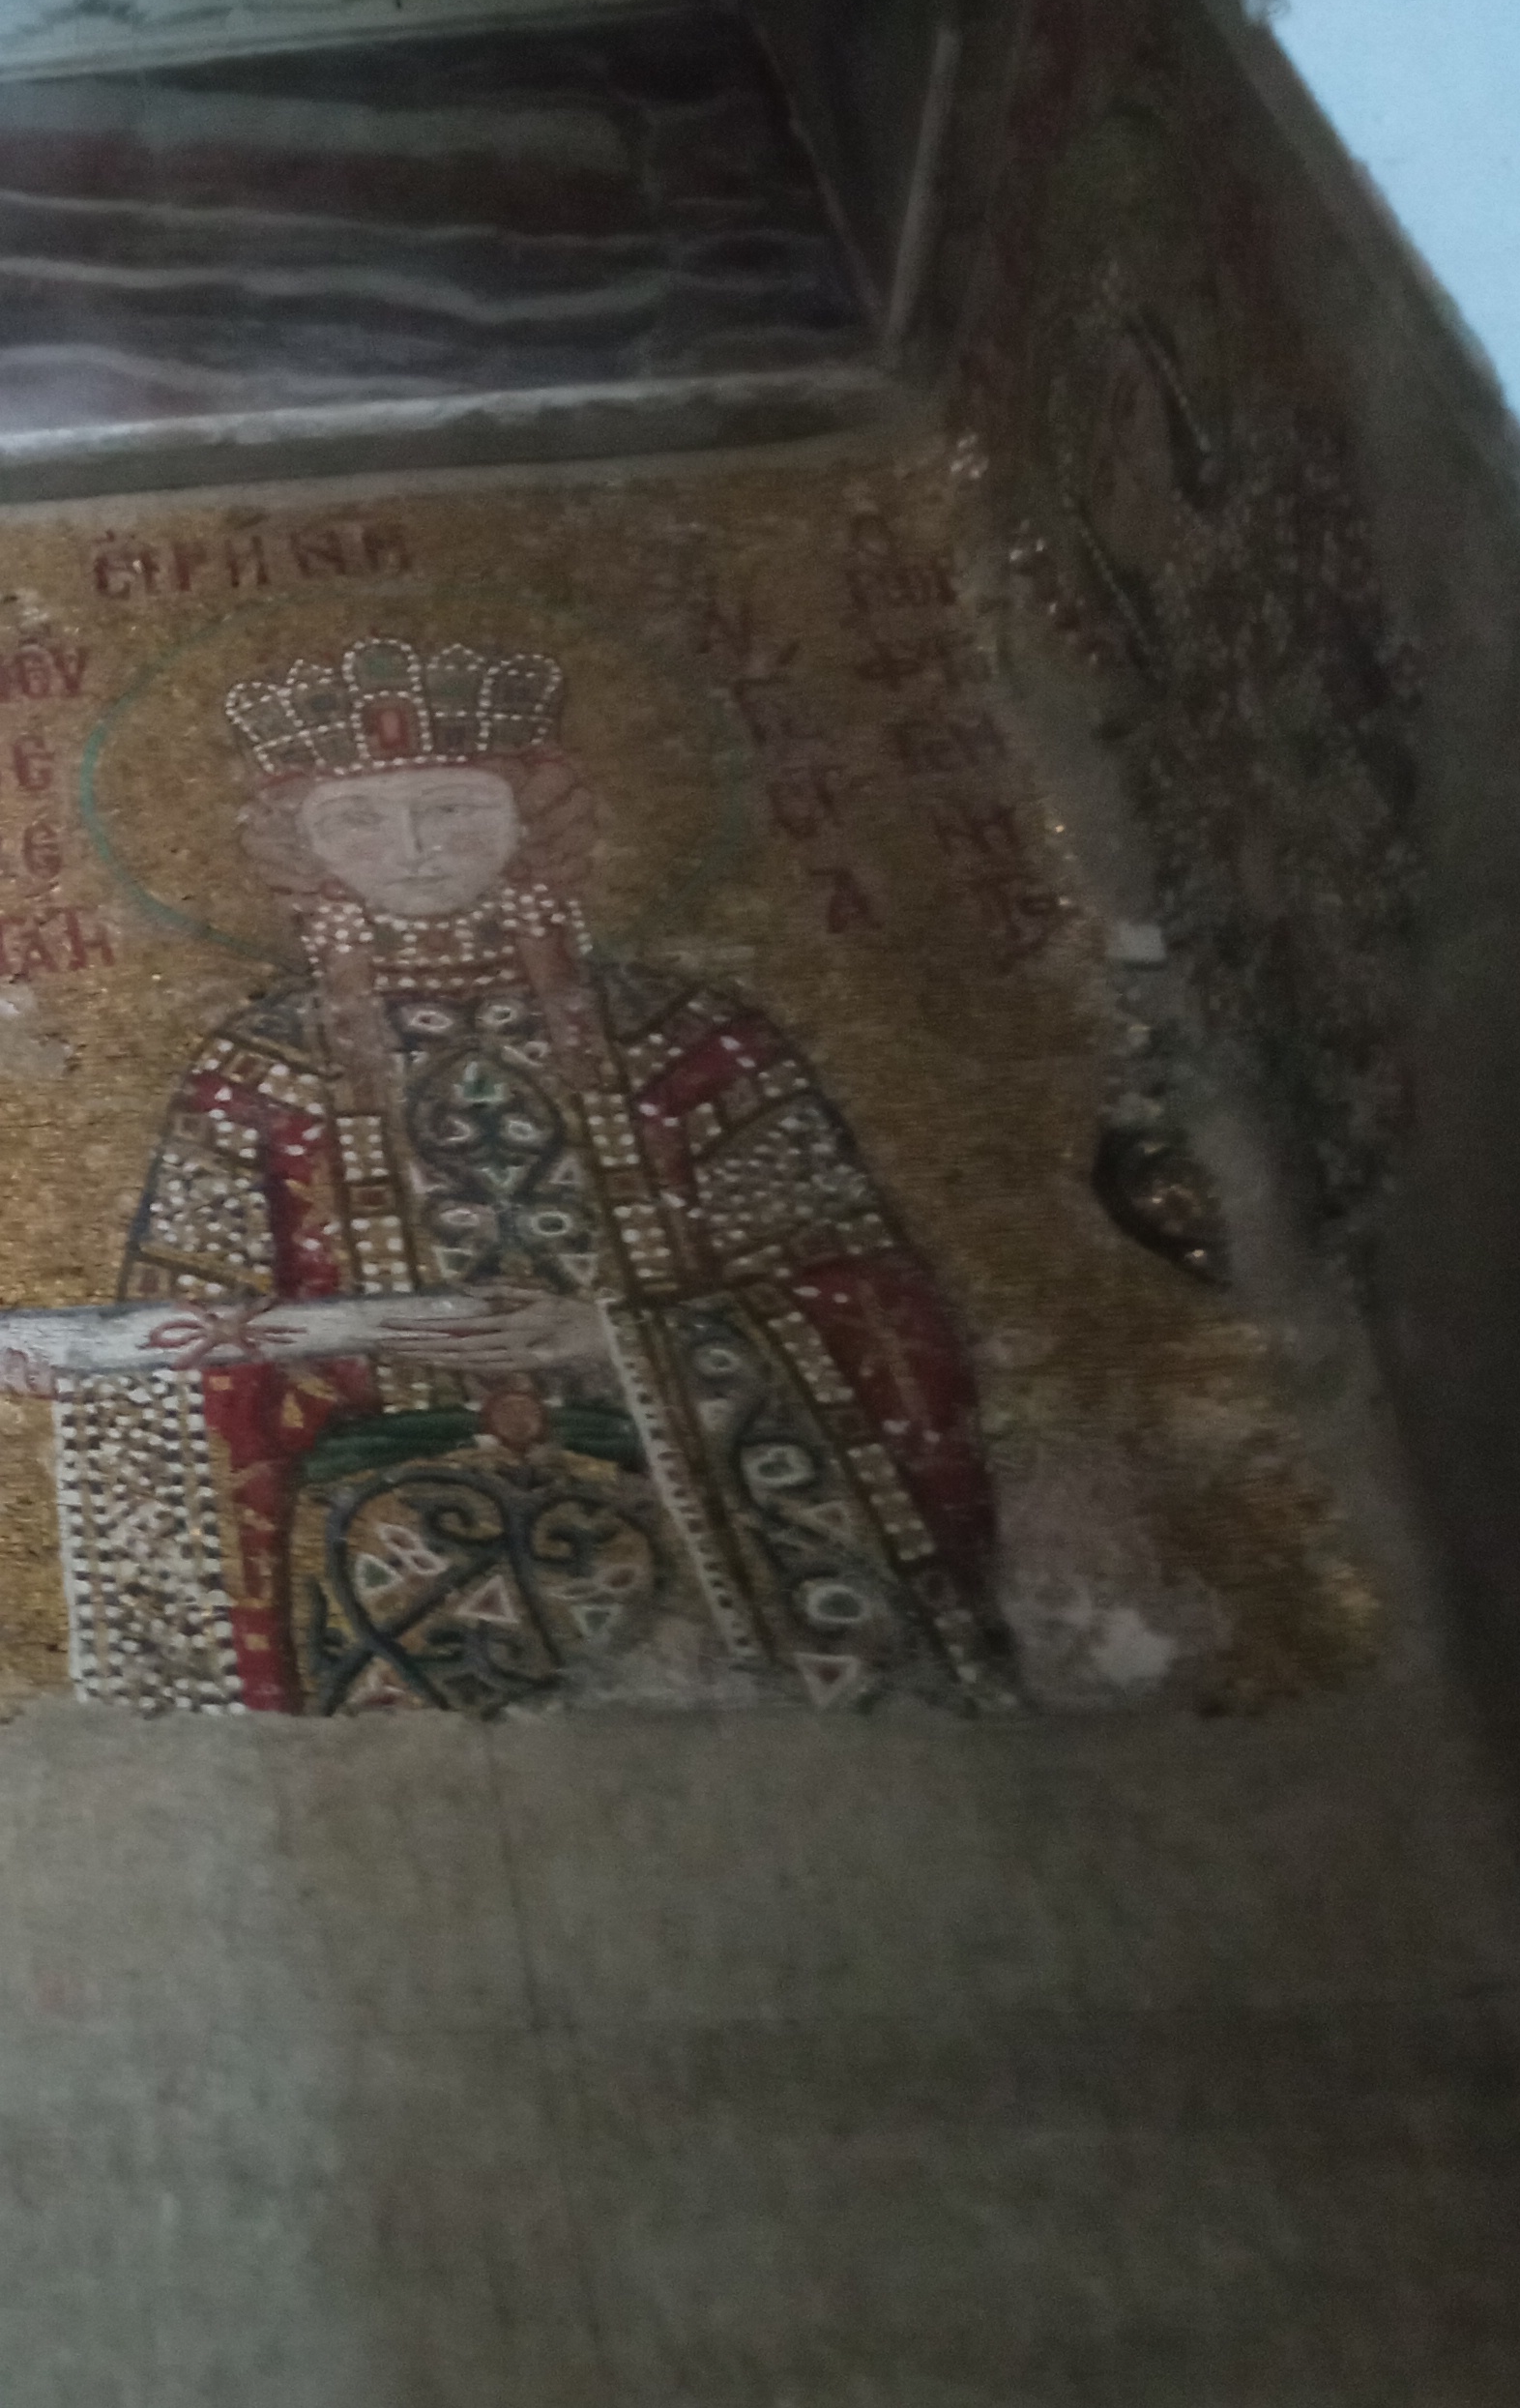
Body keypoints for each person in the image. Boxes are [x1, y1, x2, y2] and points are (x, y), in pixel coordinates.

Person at [49, 636, 1005, 1715]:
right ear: (295, 841)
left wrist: (611, 1340)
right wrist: (350, 1345)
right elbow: (175, 1347)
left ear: (535, 816)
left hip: (692, 1547)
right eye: (357, 818)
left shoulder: (688, 1040)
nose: (413, 848)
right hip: (377, 1571)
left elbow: (869, 1311)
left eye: (453, 807)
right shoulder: (255, 1072)